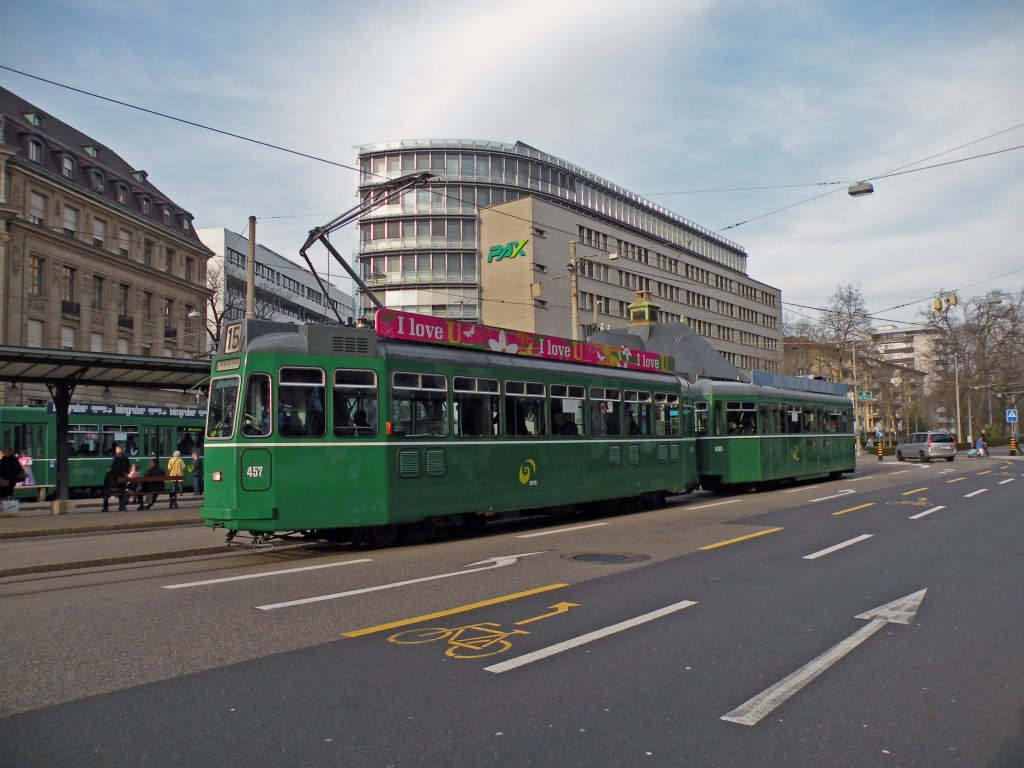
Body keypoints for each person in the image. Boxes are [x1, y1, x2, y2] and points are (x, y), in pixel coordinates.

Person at [1, 446, 24, 511]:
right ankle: (6, 509)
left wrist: (12, 478)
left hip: (10, 479)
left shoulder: (13, 459)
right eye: (5, 451)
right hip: (4, 479)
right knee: (4, 493)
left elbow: (17, 469)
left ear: (11, 452)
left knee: (8, 493)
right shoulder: (3, 459)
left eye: (8, 451)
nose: (7, 453)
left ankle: (8, 509)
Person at [108, 444, 130, 511]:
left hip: (117, 476)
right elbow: (128, 465)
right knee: (123, 490)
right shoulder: (125, 456)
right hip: (123, 475)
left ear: (119, 449)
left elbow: (112, 465)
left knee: (118, 490)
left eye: (116, 449)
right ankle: (122, 506)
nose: (115, 450)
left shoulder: (116, 456)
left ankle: (121, 505)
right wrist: (126, 472)